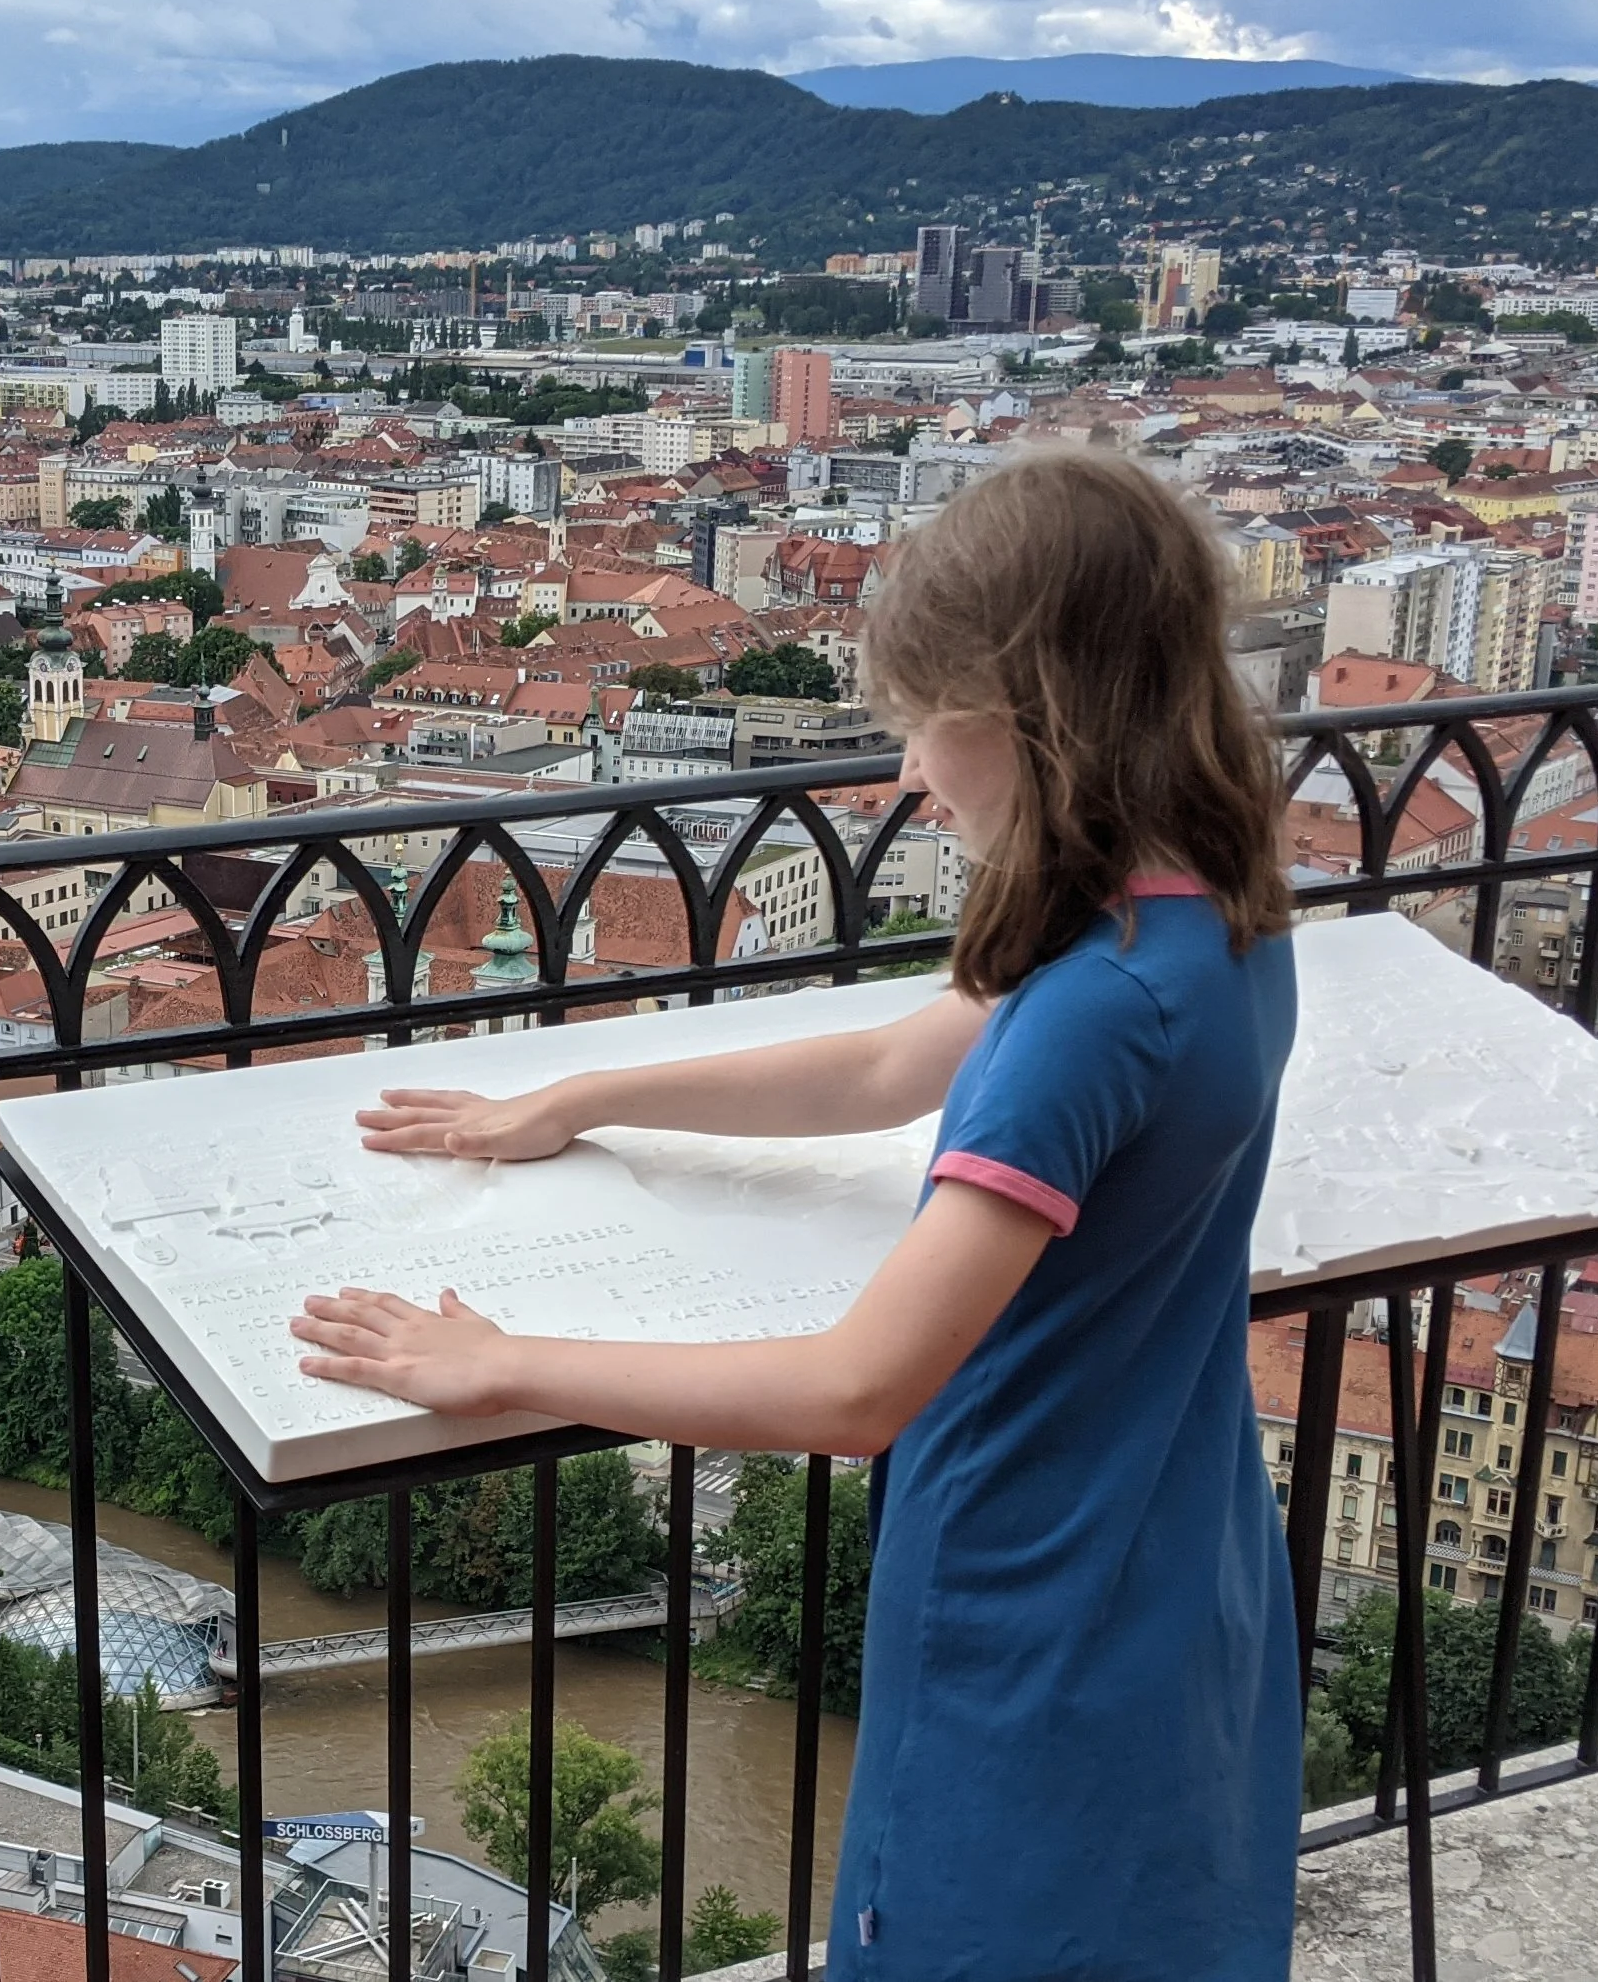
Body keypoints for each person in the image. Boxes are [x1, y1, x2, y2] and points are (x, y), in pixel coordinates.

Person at [293, 449, 1303, 1981]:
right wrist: (586, 1096)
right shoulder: (1213, 918)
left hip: (1022, 1606)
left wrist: (501, 1361)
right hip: (1179, 1570)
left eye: (920, 722)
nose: (907, 772)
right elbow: (893, 1066)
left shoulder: (1092, 1011)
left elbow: (854, 1390)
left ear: (1028, 717)